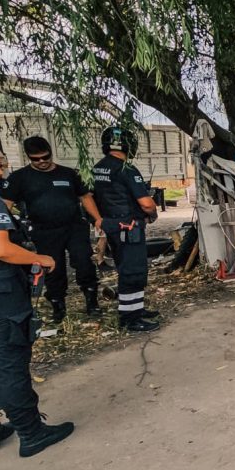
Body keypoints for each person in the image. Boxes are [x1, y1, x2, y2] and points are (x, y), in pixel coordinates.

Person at [0, 141, 75, 457]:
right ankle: (31, 434)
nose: (1, 172)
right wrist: (40, 258)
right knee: (9, 366)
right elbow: (0, 248)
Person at [0, 136, 103, 322]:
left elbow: (85, 197)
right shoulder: (19, 178)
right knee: (53, 268)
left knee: (84, 262)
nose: (41, 162)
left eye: (45, 157)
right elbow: (4, 205)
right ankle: (58, 306)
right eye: (35, 159)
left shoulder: (69, 174)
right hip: (44, 231)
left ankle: (92, 302)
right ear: (28, 157)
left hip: (74, 227)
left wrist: (98, 219)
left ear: (50, 153)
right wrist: (5, 229)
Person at [92, 125, 160, 332]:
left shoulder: (97, 168)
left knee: (126, 268)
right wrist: (152, 214)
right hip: (129, 227)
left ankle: (136, 308)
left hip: (113, 226)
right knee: (133, 271)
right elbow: (146, 203)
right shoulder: (126, 170)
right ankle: (130, 319)